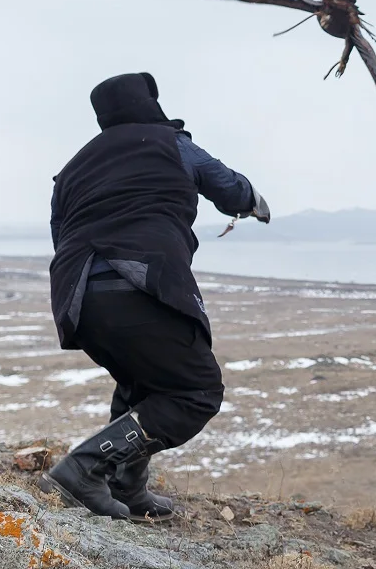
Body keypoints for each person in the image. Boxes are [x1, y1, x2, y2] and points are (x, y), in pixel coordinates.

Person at [39, 72, 269, 522]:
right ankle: (84, 468)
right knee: (196, 391)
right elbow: (228, 188)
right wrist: (255, 200)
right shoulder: (171, 143)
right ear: (151, 103)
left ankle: (127, 484)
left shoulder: (72, 168)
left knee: (143, 382)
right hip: (139, 284)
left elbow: (59, 235)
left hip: (77, 297)